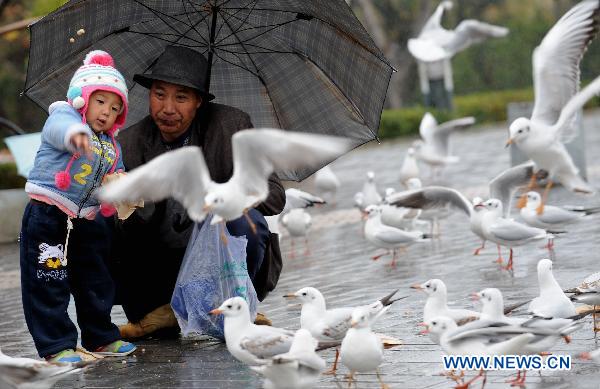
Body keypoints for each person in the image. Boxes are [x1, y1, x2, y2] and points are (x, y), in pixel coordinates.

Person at [112, 45, 286, 338]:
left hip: (218, 261)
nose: (167, 108)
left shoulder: (231, 127)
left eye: (181, 97)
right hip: (159, 264)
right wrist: (133, 198)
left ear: (199, 102)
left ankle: (237, 302)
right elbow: (123, 227)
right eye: (159, 94)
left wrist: (232, 192)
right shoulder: (129, 143)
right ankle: (163, 310)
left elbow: (275, 196)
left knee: (249, 221)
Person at [20, 50, 136, 362]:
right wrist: (76, 133)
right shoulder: (65, 117)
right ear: (82, 99)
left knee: (96, 278)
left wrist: (121, 188)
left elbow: (115, 175)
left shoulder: (111, 143)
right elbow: (58, 130)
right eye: (100, 102)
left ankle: (100, 337)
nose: (106, 113)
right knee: (48, 278)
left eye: (114, 108)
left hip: (88, 219)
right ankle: (56, 344)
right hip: (49, 212)